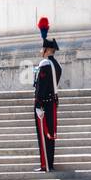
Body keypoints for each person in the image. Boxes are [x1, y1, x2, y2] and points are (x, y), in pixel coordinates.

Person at [34, 16, 63, 171]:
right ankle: (49, 163)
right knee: (50, 135)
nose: (40, 52)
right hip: (52, 103)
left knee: (43, 135)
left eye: (42, 49)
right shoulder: (57, 65)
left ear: (47, 50)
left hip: (44, 104)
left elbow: (41, 87)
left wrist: (38, 104)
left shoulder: (44, 64)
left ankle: (45, 165)